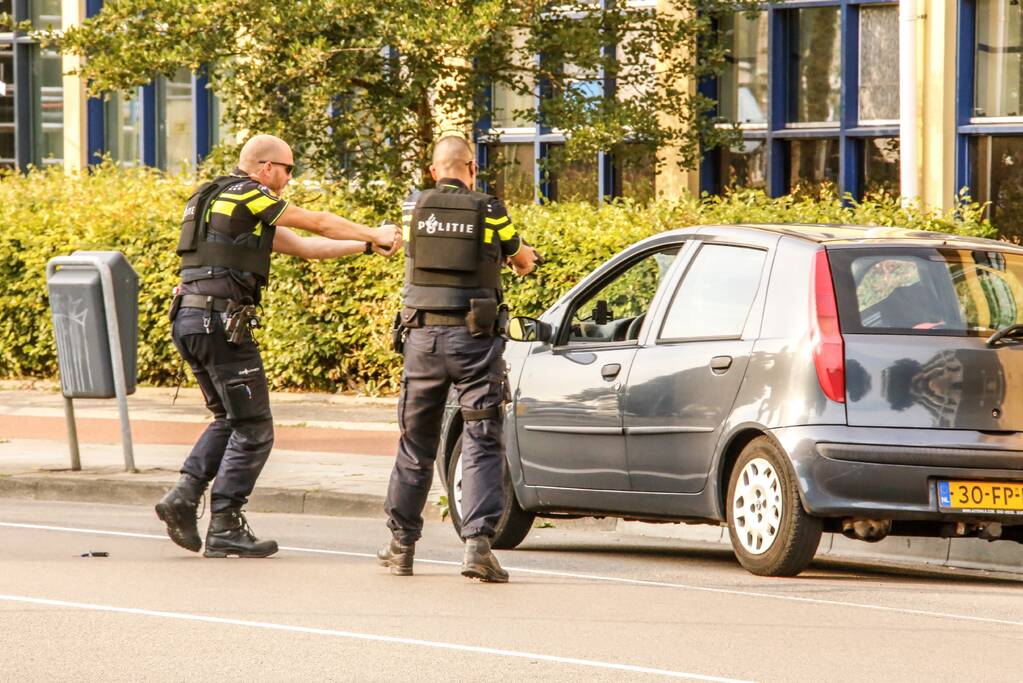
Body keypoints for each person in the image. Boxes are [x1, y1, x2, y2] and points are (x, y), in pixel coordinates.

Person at [156, 134, 399, 558]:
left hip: (189, 319)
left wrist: (365, 245)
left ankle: (183, 497)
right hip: (220, 320)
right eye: (288, 169)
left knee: (228, 418)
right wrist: (375, 230)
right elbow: (316, 223)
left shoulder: (210, 198)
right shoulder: (251, 194)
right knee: (254, 429)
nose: (289, 178)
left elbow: (305, 248)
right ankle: (226, 524)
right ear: (266, 167)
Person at [377, 135, 537, 582]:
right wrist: (524, 262)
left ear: (433, 171)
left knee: (415, 442)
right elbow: (519, 257)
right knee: (482, 437)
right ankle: (478, 548)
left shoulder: (413, 209)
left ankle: (401, 546)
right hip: (475, 341)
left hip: (421, 342)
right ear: (472, 169)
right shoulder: (490, 210)